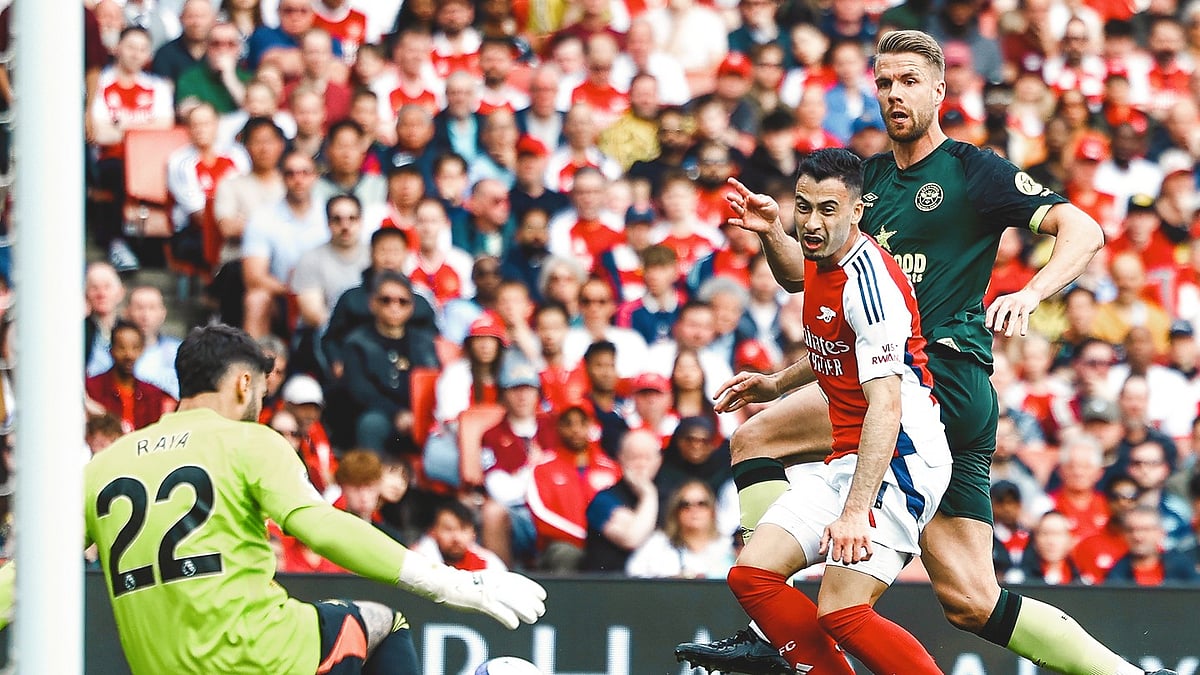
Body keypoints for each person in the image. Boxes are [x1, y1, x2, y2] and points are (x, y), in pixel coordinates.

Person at [677, 30, 1171, 675]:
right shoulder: (869, 181)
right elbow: (807, 279)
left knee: (757, 441)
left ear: (938, 90)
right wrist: (774, 237)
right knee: (972, 599)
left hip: (930, 383)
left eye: (909, 81)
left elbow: (1084, 229)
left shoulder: (973, 169)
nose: (894, 94)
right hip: (938, 392)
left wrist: (1029, 291)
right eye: (883, 82)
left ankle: (770, 624)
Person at [80, 324, 545, 673]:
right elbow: (322, 526)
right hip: (262, 658)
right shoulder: (251, 442)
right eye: (262, 389)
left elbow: (25, 574)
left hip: (159, 666)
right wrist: (451, 584)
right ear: (245, 384)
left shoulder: (103, 466)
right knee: (384, 622)